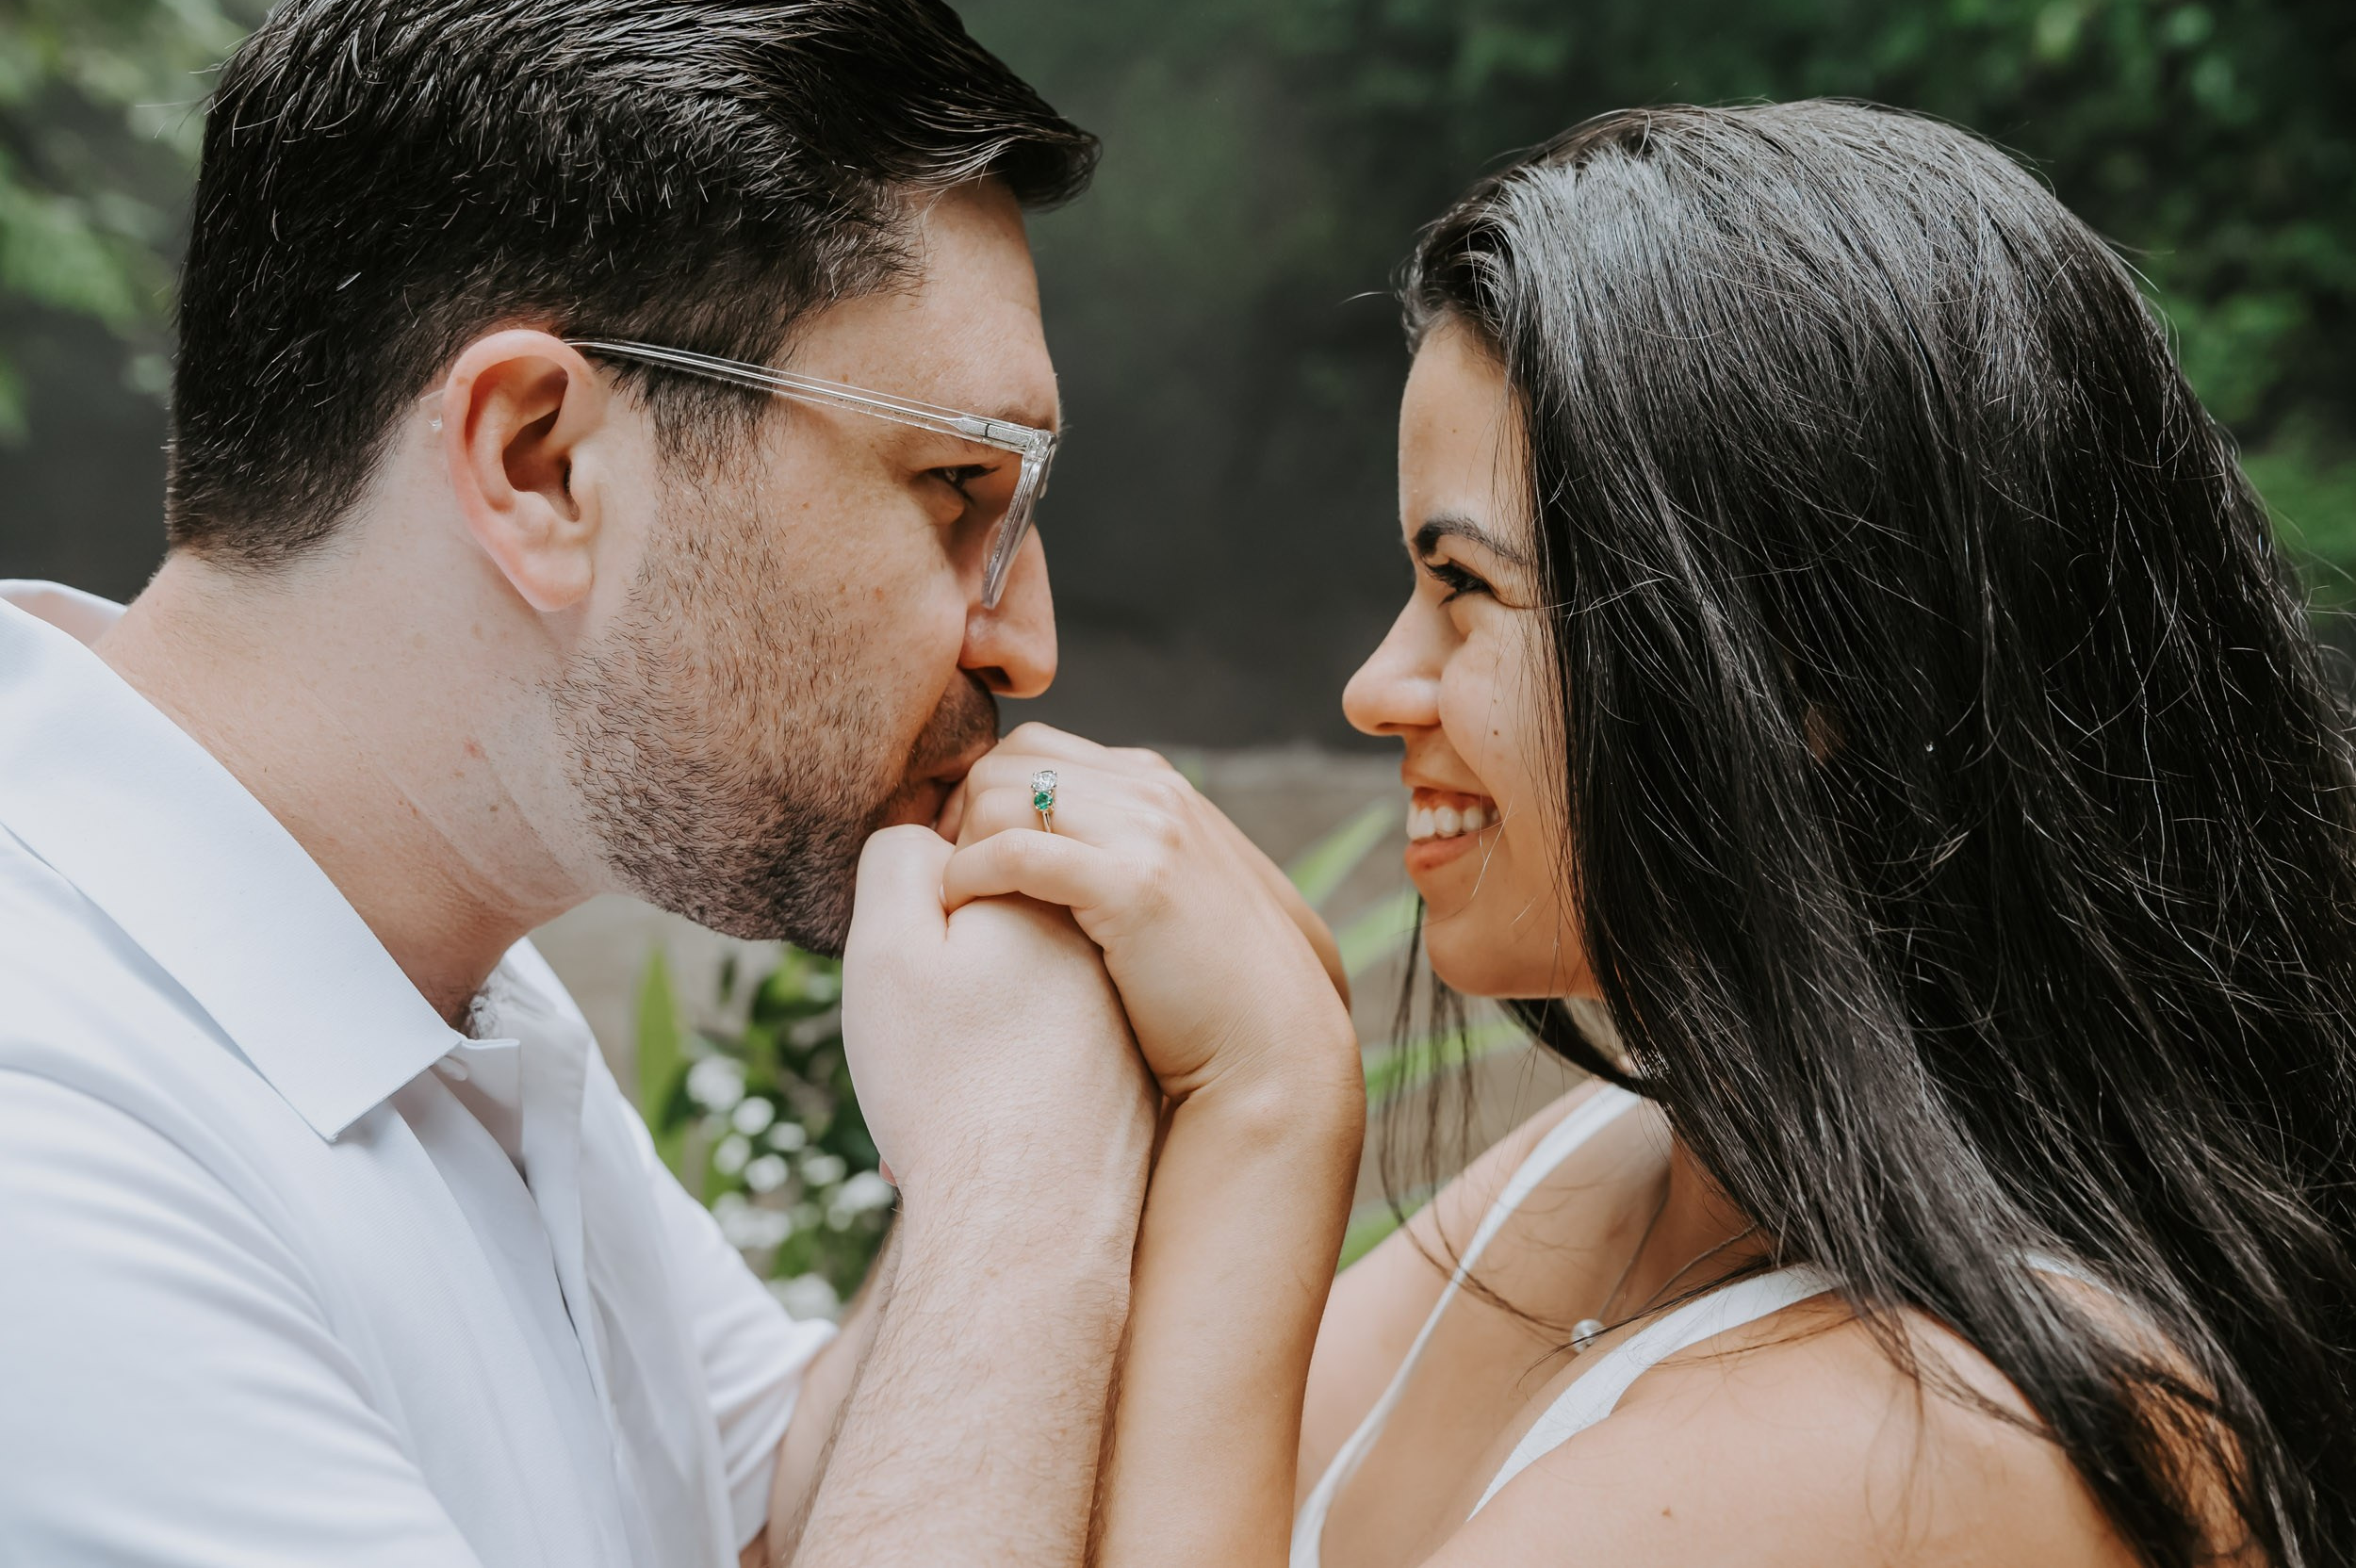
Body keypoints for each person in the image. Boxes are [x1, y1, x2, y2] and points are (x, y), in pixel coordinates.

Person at [0, 0, 1354, 1565]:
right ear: (543, 463)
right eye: (959, 488)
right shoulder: (49, 1143)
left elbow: (777, 1516)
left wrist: (1245, 1096)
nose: (1030, 641)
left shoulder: (430, 990)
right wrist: (1015, 1176)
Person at [918, 104, 2356, 1566]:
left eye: (1464, 587)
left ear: (1811, 678)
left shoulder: (1929, 1431)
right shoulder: (1613, 1165)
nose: (1374, 686)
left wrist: (1266, 1110)